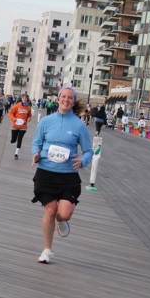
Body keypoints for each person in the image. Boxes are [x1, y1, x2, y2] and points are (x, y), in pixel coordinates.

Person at [31, 87, 94, 264]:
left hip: (68, 176)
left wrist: (82, 161)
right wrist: (35, 155)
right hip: (46, 173)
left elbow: (88, 151)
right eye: (63, 96)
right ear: (58, 99)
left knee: (64, 214)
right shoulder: (46, 121)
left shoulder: (79, 125)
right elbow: (36, 144)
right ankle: (47, 250)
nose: (66, 100)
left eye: (70, 98)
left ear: (73, 102)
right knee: (50, 210)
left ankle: (61, 221)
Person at [8, 95, 33, 160]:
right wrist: (13, 119)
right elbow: (11, 113)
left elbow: (29, 115)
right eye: (23, 98)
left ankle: (16, 153)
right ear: (21, 99)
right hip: (15, 125)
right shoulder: (17, 106)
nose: (24, 99)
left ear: (27, 99)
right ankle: (13, 139)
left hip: (23, 126)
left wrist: (29, 118)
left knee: (20, 139)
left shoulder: (28, 108)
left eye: (25, 98)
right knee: (13, 140)